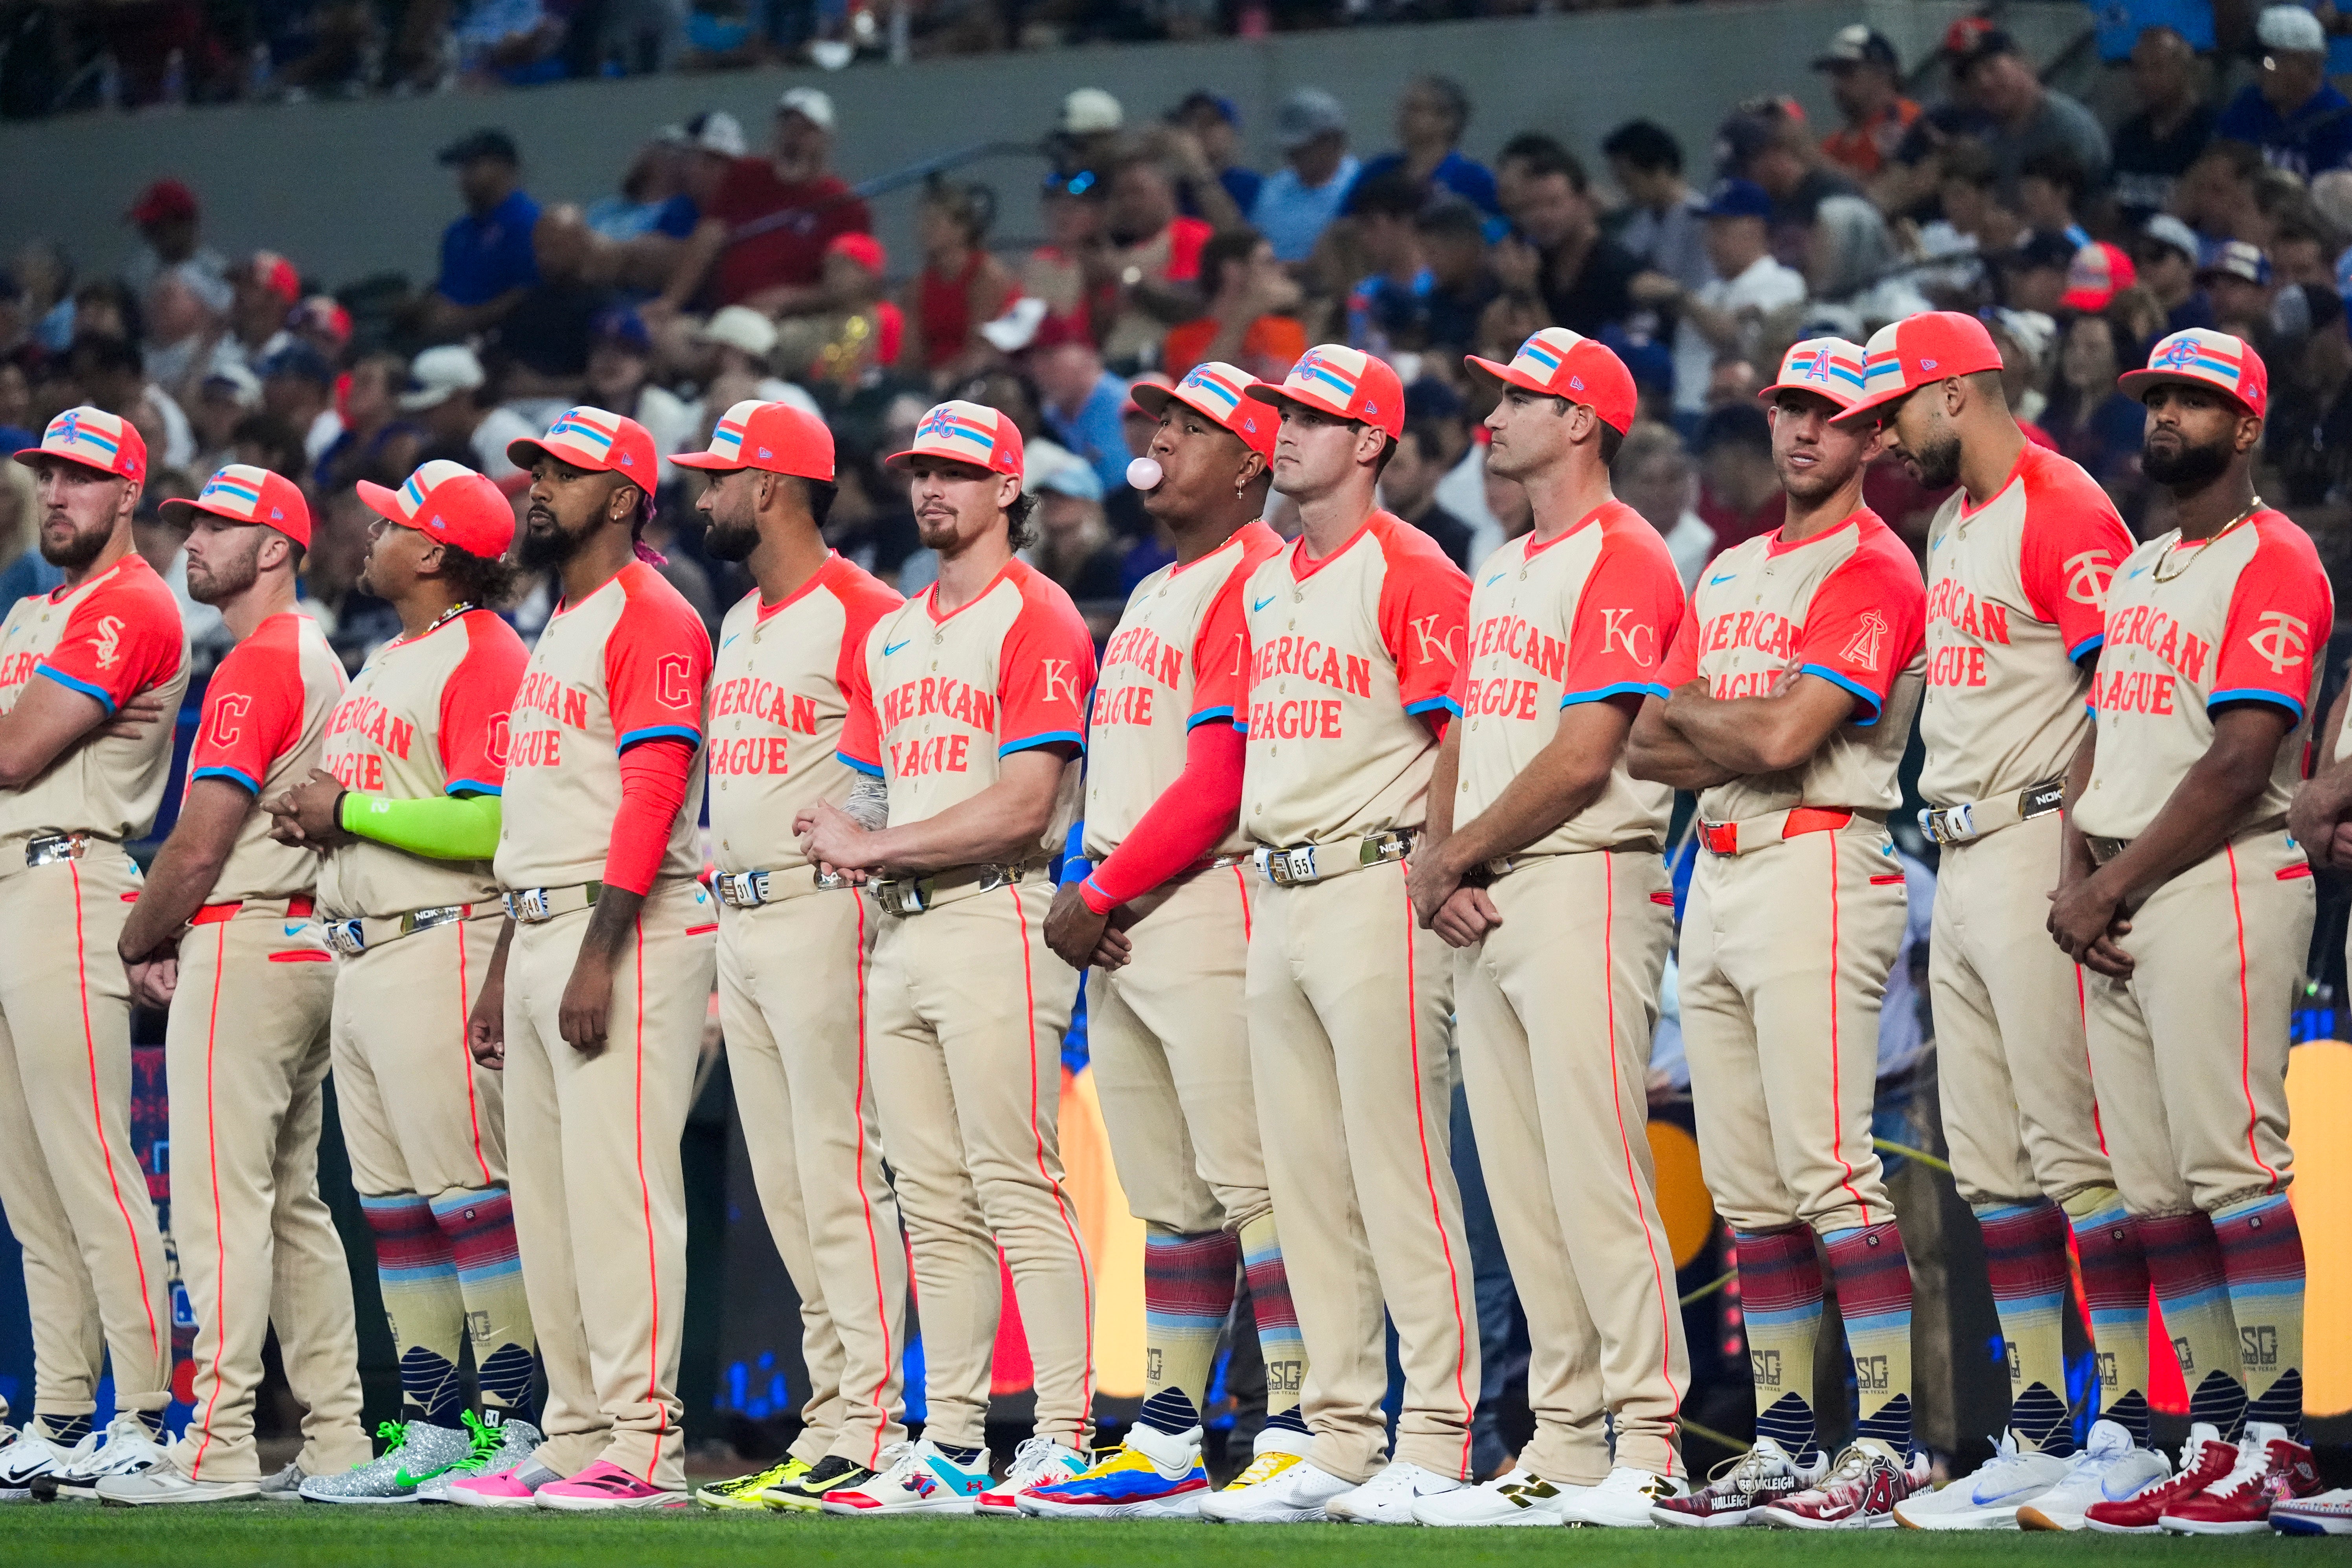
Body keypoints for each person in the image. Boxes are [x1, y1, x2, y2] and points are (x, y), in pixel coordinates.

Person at [1825, 311, 2151, 1524]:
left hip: (2034, 844)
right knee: (1988, 1168)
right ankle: (2039, 1426)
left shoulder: (2060, 503)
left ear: (1955, 393)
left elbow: (2125, 693)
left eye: (1893, 408)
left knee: (2071, 1153)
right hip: (1956, 852)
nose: (1883, 434)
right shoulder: (1951, 520)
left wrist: (2084, 867)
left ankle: (2127, 1426)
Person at [1629, 336, 1930, 1529]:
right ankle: (1785, 1441)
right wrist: (1724, 721)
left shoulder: (1873, 564)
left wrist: (1715, 719)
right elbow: (1645, 742)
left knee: (1825, 1165)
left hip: (1817, 853)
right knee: (1749, 1185)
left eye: (1828, 416)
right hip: (1716, 868)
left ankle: (1891, 1443)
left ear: (1869, 438)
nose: (1800, 432)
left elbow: (1775, 741)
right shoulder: (1731, 566)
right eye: (1786, 411)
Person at [1404, 331, 1691, 1527]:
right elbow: (1461, 737)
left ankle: (1650, 1439)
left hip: (1583, 876)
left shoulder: (1625, 554)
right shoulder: (1508, 562)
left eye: (1517, 397)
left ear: (1581, 420)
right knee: (1518, 1188)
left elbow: (1585, 759)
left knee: (1594, 1168)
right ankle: (1564, 1436)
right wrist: (1436, 860)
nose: (1491, 416)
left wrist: (1456, 856)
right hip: (1488, 892)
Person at [802, 401, 1100, 1517]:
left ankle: (1064, 1435)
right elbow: (875, 784)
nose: (932, 490)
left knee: (1015, 1183)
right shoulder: (890, 629)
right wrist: (837, 827)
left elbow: (1026, 806)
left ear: (1007, 490)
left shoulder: (1040, 613)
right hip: (904, 925)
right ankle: (954, 1438)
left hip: (995, 912)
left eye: (958, 474)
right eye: (921, 472)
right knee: (928, 1198)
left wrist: (868, 839)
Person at [1024, 363, 1309, 1518]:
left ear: (1250, 460)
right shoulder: (1150, 590)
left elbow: (1217, 782)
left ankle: (1297, 1423)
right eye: (1154, 425)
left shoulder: (1256, 578)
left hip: (1202, 902)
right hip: (1126, 917)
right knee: (1171, 1195)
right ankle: (1171, 1429)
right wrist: (1091, 884)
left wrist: (1103, 892)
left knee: (1259, 1185)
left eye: (1186, 430)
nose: (1156, 444)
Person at [1198, 346, 1477, 1526]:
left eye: (1312, 416)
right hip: (1278, 890)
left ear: (1369, 442)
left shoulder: (1411, 566)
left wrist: (1441, 860)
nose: (1286, 431)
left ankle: (1439, 1433)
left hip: (1374, 884)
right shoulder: (1266, 582)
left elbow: (1462, 727)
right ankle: (1339, 1433)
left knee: (1401, 1178)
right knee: (1305, 1183)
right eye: (1282, 415)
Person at [2058, 330, 2329, 1533]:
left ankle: (2276, 1443)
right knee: (2155, 1189)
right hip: (2118, 895)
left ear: (2248, 424)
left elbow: (2234, 765)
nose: (2165, 415)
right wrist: (2076, 864)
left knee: (2233, 1169)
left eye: (2194, 400)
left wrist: (2105, 890)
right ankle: (2215, 1432)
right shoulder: (2139, 567)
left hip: (2216, 876)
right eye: (2155, 396)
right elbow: (2099, 735)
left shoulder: (2274, 558)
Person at [449, 407, 718, 1510]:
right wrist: (506, 958)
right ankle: (573, 1429)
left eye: (563, 473)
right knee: (550, 1204)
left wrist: (596, 955)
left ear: (622, 497)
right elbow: (545, 809)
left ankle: (644, 1439)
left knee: (620, 1195)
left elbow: (652, 797)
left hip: (630, 931)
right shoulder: (559, 617)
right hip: (542, 920)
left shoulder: (654, 613)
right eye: (535, 471)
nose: (537, 487)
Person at [259, 461, 541, 1503]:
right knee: (393, 1206)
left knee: (468, 1195)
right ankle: (430, 1428)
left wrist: (353, 813)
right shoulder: (390, 657)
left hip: (442, 937)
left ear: (432, 552)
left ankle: (506, 1429)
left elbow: (492, 821)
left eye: (389, 524)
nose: (369, 534)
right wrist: (317, 813)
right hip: (363, 946)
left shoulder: (484, 651)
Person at [99, 465, 368, 1503]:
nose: (193, 540)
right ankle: (338, 1436)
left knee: (218, 1204)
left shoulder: (260, 660)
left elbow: (200, 843)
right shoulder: (317, 654)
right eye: (191, 523)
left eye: (217, 524)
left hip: (248, 937)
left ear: (276, 548)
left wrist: (138, 934)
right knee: (291, 1205)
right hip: (308, 942)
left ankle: (210, 1443)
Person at [673, 402, 911, 1513]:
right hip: (746, 917)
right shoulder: (740, 620)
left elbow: (898, 770)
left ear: (769, 485)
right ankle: (833, 1416)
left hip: (828, 910)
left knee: (839, 1174)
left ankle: (869, 1425)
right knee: (784, 1186)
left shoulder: (867, 610)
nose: (702, 494)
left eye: (717, 477)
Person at [0, 409, 184, 1499]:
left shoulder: (135, 602)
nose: (58, 492)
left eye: (81, 476)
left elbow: (19, 746)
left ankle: (147, 1414)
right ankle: (63, 1411)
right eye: (47, 475)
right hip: (8, 877)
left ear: (127, 492)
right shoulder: (33, 607)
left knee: (93, 1162)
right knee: (27, 1181)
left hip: (70, 876)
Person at [660, 88, 873, 318]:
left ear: (826, 141)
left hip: (797, 321)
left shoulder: (846, 206)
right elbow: (709, 237)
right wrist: (670, 302)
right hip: (723, 312)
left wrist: (788, 301)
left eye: (806, 131)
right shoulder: (745, 175)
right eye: (787, 127)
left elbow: (850, 287)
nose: (793, 138)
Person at [1668, 180, 1807, 420]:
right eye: (1710, 229)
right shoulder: (1708, 291)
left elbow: (1736, 338)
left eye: (1722, 228)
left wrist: (1679, 298)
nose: (1711, 240)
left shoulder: (1784, 282)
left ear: (1756, 229)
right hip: (1683, 409)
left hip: (1735, 413)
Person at [1944, 20, 2113, 200]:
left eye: (1991, 68)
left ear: (2021, 62)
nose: (1984, 83)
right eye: (1972, 78)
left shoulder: (2067, 127)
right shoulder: (1987, 135)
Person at [1501, 142, 1641, 339]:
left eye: (1554, 203)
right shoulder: (1533, 263)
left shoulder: (1619, 269)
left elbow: (1575, 358)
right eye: (1531, 207)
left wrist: (1528, 293)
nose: (1543, 217)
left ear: (1583, 200)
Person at [424, 129, 541, 344]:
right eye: (461, 169)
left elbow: (530, 296)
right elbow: (449, 294)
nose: (463, 178)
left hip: (509, 342)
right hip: (451, 341)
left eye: (473, 166)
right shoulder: (457, 234)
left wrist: (464, 321)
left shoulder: (529, 224)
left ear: (504, 168)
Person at [897, 180, 1018, 384]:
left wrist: (946, 378)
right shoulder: (917, 286)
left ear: (961, 230)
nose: (924, 230)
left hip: (977, 378)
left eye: (934, 222)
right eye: (923, 222)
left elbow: (981, 347)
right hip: (931, 380)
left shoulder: (986, 277)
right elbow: (912, 354)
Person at [1161, 227, 1306, 382]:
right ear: (1232, 271)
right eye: (1268, 263)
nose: (1281, 271)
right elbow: (1197, 386)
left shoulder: (1289, 330)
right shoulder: (1184, 337)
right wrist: (1245, 314)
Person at [1346, 76, 1499, 217]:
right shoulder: (1378, 171)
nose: (1404, 116)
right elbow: (1345, 222)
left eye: (1416, 109)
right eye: (1403, 109)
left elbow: (1501, 228)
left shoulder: (1475, 180)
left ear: (1447, 120)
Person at [2111, 26, 2217, 224]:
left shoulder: (2212, 133)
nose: (2146, 79)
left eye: (2157, 68)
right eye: (2139, 69)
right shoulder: (2128, 134)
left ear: (2185, 69)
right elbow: (2112, 205)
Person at [1604, 120, 1712, 298]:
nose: (1624, 191)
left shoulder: (1701, 221)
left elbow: (1704, 290)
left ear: (1661, 171)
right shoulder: (1640, 220)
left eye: (1629, 181)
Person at [1252, 90, 1359, 267]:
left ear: (1333, 141)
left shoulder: (1358, 185)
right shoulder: (1273, 188)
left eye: (1303, 148)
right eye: (1289, 149)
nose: (1292, 157)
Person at [401, 344, 538, 481]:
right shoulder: (440, 443)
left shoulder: (508, 439)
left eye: (431, 410)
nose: (424, 419)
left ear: (460, 398)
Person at [1813, 26, 1920, 182]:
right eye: (1833, 74)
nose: (1837, 84)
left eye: (1846, 71)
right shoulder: (1832, 145)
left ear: (1882, 72)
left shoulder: (1910, 121)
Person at [1378, 419, 1475, 568]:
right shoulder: (1376, 535)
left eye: (1398, 466)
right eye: (1384, 465)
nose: (1385, 477)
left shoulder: (1459, 543)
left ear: (1431, 471)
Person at [2137, 214, 2217, 334]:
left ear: (2188, 265)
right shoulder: (2130, 311)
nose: (2145, 264)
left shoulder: (2208, 317)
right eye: (2137, 255)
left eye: (2157, 254)